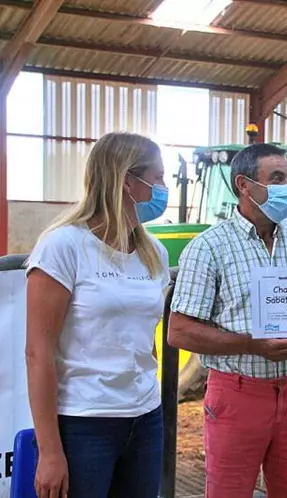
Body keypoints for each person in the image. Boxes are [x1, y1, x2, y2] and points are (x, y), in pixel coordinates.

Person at [168, 143, 287, 498]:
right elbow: (179, 330)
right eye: (276, 178)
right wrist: (251, 345)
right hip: (238, 394)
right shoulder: (209, 247)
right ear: (244, 185)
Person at [25, 132, 171, 498]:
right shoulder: (63, 245)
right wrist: (50, 452)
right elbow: (37, 353)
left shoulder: (154, 252)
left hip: (144, 418)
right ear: (127, 181)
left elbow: (144, 336)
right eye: (157, 178)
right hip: (84, 423)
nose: (163, 188)